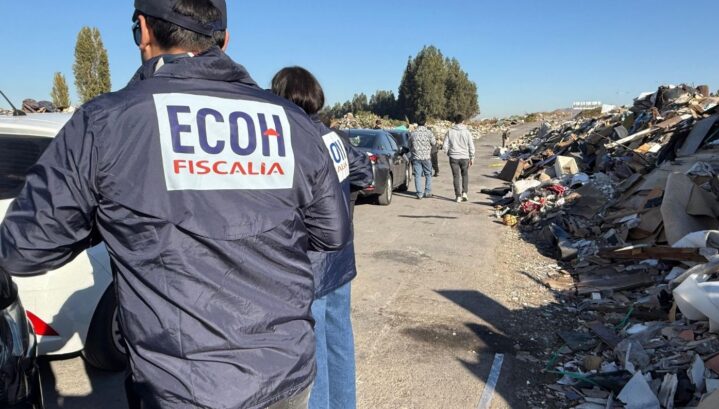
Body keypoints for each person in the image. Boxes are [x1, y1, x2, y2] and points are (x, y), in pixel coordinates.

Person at [0, 1, 351, 408]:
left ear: (144, 31)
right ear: (225, 40)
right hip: (284, 378)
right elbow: (332, 233)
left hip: (182, 391)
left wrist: (108, 215)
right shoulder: (291, 123)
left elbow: (23, 249)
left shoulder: (107, 123)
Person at [271, 67, 372, 409]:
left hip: (309, 264)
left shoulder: (293, 140)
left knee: (313, 354)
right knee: (340, 341)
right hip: (341, 260)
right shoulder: (333, 137)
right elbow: (364, 172)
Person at [443, 114, 476, 203]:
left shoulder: (450, 131)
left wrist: (448, 152)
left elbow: (445, 145)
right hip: (465, 157)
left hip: (453, 157)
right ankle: (464, 193)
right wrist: (472, 157)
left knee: (456, 176)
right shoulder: (467, 132)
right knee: (465, 175)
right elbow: (471, 146)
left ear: (455, 121)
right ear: (462, 121)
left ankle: (458, 196)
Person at [408, 117, 436, 199]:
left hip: (416, 157)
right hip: (426, 157)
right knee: (428, 174)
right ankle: (427, 192)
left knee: (417, 175)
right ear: (425, 123)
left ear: (417, 123)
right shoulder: (429, 133)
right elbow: (434, 142)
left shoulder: (413, 133)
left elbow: (409, 145)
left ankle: (419, 193)